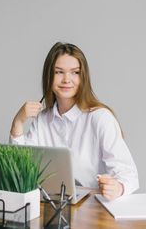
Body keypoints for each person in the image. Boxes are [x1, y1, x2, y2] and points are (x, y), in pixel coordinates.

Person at [10, 42, 139, 200]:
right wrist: (18, 123)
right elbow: (21, 171)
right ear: (48, 76)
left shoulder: (100, 118)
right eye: (59, 72)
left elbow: (129, 174)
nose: (66, 80)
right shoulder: (42, 120)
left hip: (94, 208)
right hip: (53, 205)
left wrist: (118, 187)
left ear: (83, 77)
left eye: (75, 72)